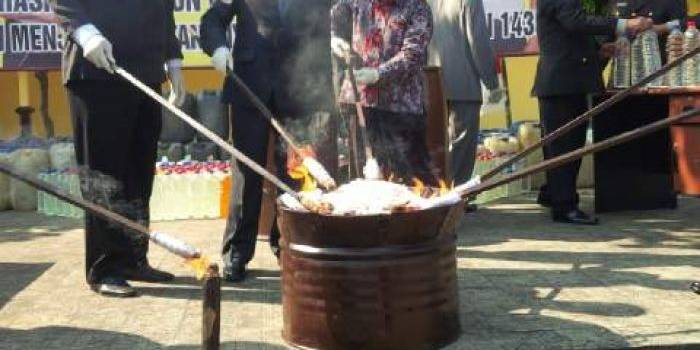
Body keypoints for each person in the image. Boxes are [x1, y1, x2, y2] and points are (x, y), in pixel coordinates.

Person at [50, 0, 186, 297]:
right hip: (97, 70)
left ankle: (133, 259)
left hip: (147, 74)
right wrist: (85, 33)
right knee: (103, 174)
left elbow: (163, 9)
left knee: (139, 173)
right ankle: (104, 267)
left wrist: (173, 60)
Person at [200, 0, 337, 283]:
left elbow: (337, 18)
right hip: (250, 84)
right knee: (246, 172)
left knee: (294, 175)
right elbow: (212, 20)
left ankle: (287, 245)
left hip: (298, 87)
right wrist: (218, 47)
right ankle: (237, 251)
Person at [533, 0, 652, 225]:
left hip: (567, 81)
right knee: (565, 147)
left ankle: (555, 194)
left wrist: (598, 50)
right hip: (563, 83)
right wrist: (624, 24)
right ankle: (564, 206)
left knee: (564, 145)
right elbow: (575, 23)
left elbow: (568, 34)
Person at [330, 0, 437, 185]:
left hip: (400, 107)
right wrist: (336, 37)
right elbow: (336, 14)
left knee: (411, 176)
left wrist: (378, 74)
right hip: (359, 102)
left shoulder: (417, 7)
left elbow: (412, 54)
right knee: (363, 176)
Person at [427, 0, 501, 211]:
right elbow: (478, 42)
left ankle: (438, 194)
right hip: (463, 82)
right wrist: (492, 83)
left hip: (432, 80)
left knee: (438, 144)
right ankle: (455, 197)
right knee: (461, 145)